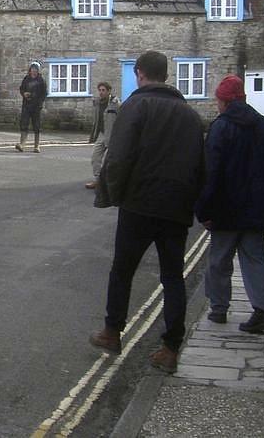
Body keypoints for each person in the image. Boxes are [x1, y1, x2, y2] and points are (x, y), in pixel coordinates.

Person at [89, 50, 204, 373]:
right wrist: (194, 202)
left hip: (139, 204)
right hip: (176, 208)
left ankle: (112, 332)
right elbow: (200, 165)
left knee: (122, 270)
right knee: (172, 277)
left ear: (140, 73)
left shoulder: (135, 107)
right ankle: (170, 348)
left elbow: (119, 157)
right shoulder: (190, 115)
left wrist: (111, 193)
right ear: (166, 75)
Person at [196, 75, 264, 333]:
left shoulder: (220, 128)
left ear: (224, 101)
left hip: (225, 210)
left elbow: (210, 173)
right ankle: (263, 311)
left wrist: (204, 209)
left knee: (218, 260)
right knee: (256, 259)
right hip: (256, 210)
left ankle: (218, 309)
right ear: (244, 99)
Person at [86, 82, 120, 189]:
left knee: (112, 161)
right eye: (99, 90)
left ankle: (114, 182)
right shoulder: (96, 103)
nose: (101, 92)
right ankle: (98, 180)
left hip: (113, 135)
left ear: (109, 91)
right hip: (101, 133)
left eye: (103, 90)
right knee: (95, 158)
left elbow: (122, 118)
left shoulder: (116, 103)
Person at [16, 61, 47, 153]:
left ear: (38, 71)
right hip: (26, 105)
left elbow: (44, 93)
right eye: (32, 69)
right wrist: (24, 94)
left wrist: (39, 101)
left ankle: (37, 146)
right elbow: (21, 88)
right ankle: (22, 144)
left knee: (36, 126)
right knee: (24, 124)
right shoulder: (26, 79)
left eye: (35, 69)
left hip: (36, 106)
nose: (33, 71)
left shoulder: (41, 80)